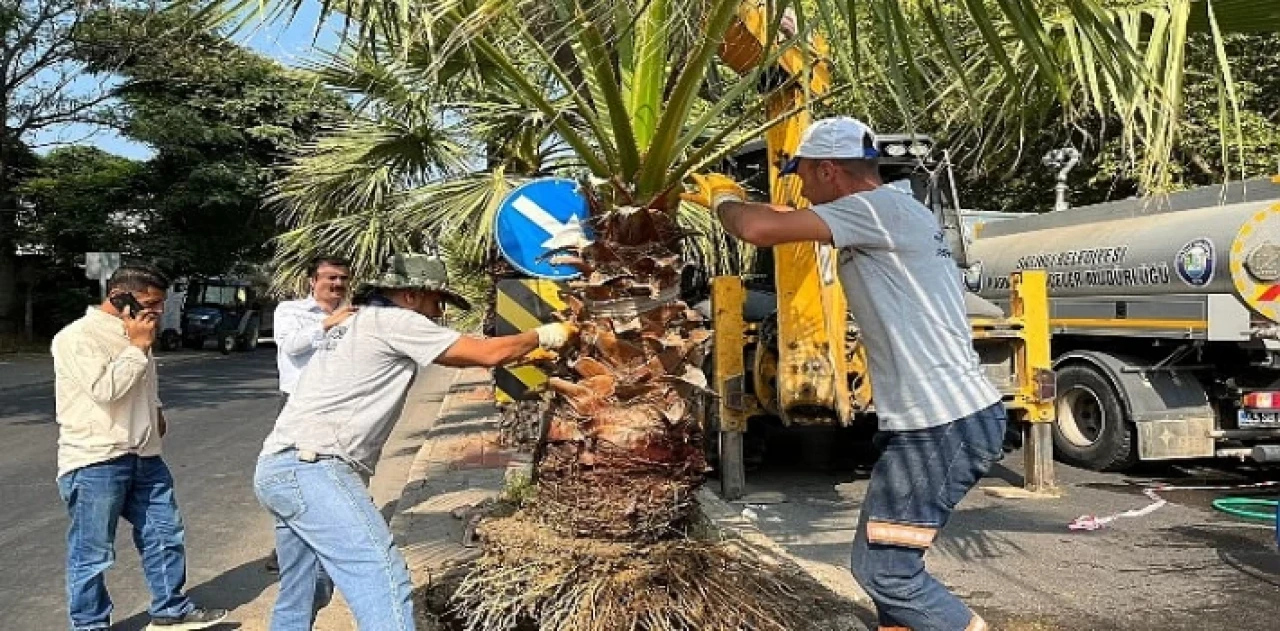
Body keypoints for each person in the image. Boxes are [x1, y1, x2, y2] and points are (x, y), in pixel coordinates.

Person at [685, 117, 1004, 631]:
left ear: (829, 170)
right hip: (938, 422)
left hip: (941, 426)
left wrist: (724, 198)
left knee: (886, 573)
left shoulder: (878, 210)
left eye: (803, 174)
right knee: (891, 570)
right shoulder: (894, 210)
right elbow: (785, 215)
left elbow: (759, 228)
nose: (801, 187)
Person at [254, 253, 575, 630]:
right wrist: (545, 333)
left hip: (279, 468)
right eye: (436, 301)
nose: (439, 312)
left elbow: (459, 359)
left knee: (305, 590)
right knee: (380, 574)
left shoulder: (359, 320)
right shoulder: (395, 320)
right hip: (314, 468)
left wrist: (524, 352)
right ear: (409, 295)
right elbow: (486, 353)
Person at [51, 265, 228, 631]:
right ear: (120, 298)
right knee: (93, 553)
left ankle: (171, 611)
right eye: (152, 303)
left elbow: (141, 386)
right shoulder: (77, 338)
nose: (159, 311)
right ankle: (89, 624)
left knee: (164, 534)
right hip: (95, 460)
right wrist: (138, 347)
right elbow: (105, 390)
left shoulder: (136, 332)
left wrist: (157, 410)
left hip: (145, 457)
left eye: (161, 303)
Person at [264, 256, 353, 573]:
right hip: (298, 404)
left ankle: (328, 541)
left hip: (339, 405)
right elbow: (291, 346)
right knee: (290, 475)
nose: (337, 284)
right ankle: (284, 549)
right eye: (330, 278)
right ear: (312, 281)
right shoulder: (290, 311)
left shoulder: (353, 315)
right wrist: (330, 322)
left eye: (343, 278)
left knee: (333, 472)